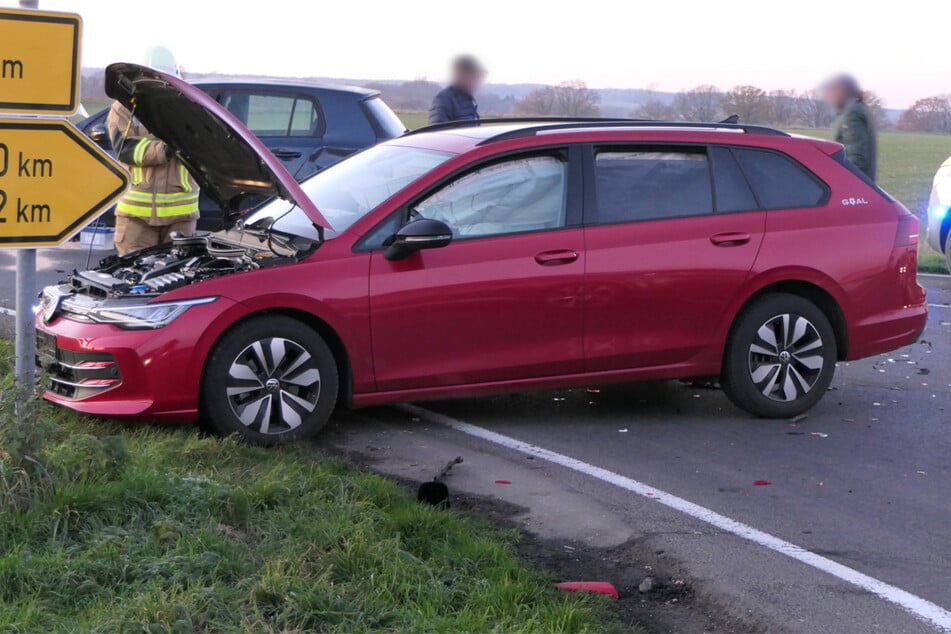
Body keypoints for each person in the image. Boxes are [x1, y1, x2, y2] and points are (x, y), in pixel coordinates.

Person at [108, 46, 199, 256]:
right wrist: (167, 149)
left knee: (178, 280)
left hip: (181, 217)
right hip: (135, 219)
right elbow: (125, 148)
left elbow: (200, 147)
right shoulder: (124, 107)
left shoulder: (189, 107)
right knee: (133, 280)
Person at [823, 74, 878, 181]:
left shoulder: (851, 113)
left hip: (856, 187)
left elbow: (856, 158)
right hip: (864, 184)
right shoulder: (859, 108)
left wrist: (838, 181)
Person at [428, 55, 486, 124]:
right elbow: (436, 130)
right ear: (462, 75)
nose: (477, 81)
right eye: (473, 76)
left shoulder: (469, 100)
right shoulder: (444, 99)